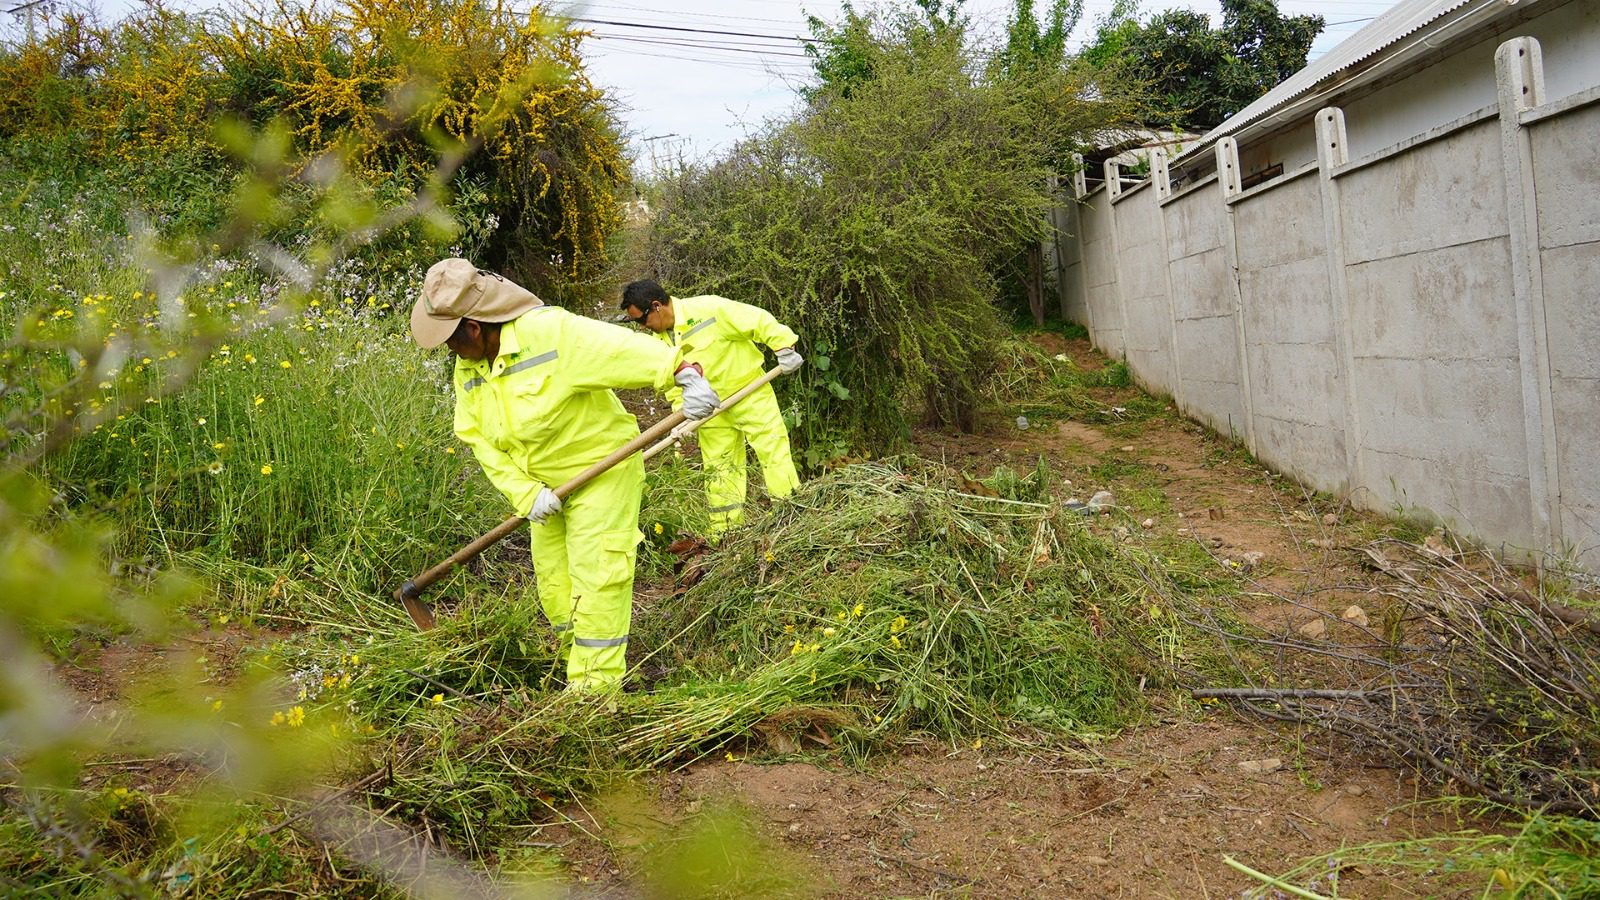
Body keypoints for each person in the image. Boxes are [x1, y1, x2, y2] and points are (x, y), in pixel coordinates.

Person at [410, 259, 720, 691]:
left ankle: (593, 695)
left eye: (450, 340)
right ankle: (577, 662)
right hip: (544, 489)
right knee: (555, 586)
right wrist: (525, 493)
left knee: (598, 577)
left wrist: (684, 375)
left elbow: (617, 349)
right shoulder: (469, 370)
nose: (448, 351)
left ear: (475, 327)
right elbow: (478, 439)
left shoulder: (549, 333)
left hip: (602, 471)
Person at [618, 279, 803, 538]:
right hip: (711, 412)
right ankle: (726, 532)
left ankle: (790, 515)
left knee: (773, 450)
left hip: (749, 392)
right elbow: (674, 382)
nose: (642, 327)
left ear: (657, 306)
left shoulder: (708, 309)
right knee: (720, 468)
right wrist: (682, 416)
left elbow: (756, 320)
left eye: (642, 320)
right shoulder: (660, 342)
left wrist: (783, 346)